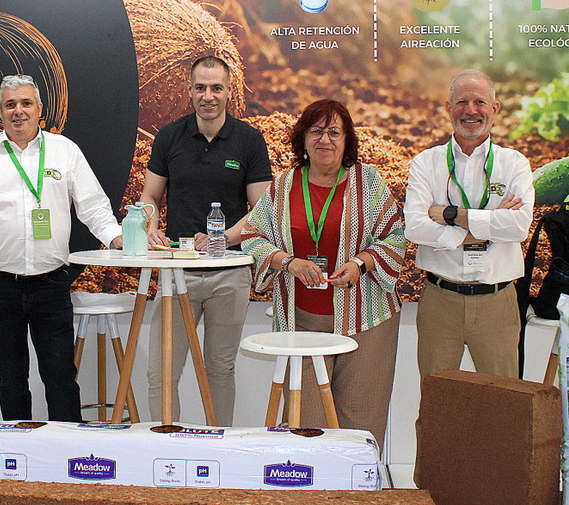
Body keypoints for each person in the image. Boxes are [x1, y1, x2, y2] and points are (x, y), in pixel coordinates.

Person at [0, 75, 123, 422]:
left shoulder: (64, 150)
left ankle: (64, 446)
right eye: (10, 105)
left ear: (39, 109)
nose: (18, 111)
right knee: (11, 379)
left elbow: (92, 206)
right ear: (0, 111)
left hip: (51, 283)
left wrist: (116, 237)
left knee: (61, 377)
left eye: (25, 103)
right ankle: (17, 446)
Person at [240, 99, 406, 447]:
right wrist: (288, 262)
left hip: (366, 320)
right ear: (302, 138)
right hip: (301, 321)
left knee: (361, 418)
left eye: (334, 132)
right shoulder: (284, 186)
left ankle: (359, 479)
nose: (325, 140)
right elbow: (252, 236)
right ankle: (314, 482)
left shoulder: (368, 182)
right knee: (307, 425)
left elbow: (395, 235)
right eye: (316, 131)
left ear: (347, 141)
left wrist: (361, 263)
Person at [138, 56, 272, 424]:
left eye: (216, 88)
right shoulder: (170, 136)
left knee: (219, 368)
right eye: (200, 88)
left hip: (229, 273)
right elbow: (150, 196)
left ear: (229, 91)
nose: (208, 96)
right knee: (161, 370)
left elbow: (263, 209)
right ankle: (164, 444)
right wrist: (150, 226)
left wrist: (222, 238)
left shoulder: (249, 140)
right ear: (190, 90)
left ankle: (218, 445)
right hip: (177, 272)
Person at [404, 68, 534, 382]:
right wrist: (487, 226)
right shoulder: (426, 163)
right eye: (462, 102)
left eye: (479, 102)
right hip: (440, 301)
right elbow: (415, 228)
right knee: (437, 400)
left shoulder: (514, 163)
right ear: (449, 108)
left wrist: (451, 215)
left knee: (503, 399)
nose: (470, 110)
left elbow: (518, 227)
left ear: (495, 108)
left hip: (498, 302)